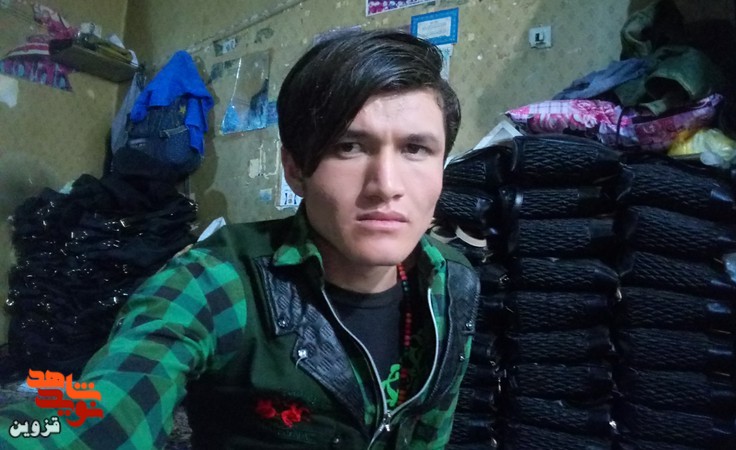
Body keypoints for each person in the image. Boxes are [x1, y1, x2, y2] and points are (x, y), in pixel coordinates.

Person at [0, 29, 479, 449]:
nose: (386, 185)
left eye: (416, 149)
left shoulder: (452, 281)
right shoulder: (217, 282)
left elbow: (429, 431)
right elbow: (101, 415)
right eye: (348, 147)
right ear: (295, 169)